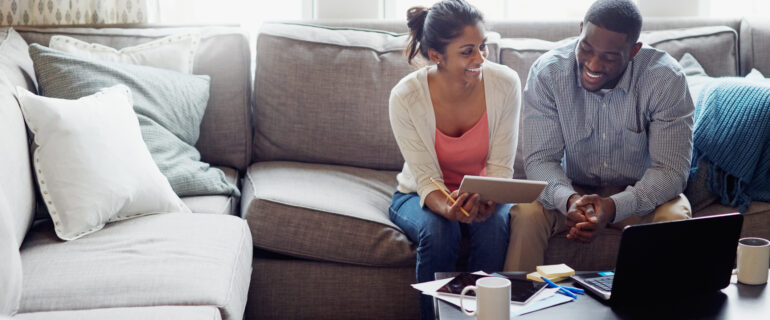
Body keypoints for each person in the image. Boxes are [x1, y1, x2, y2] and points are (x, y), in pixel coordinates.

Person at [505, 0, 694, 272]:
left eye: (609, 56)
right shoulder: (548, 73)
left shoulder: (665, 79)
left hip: (638, 197)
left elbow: (671, 172)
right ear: (581, 30)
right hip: (572, 191)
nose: (593, 64)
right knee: (527, 213)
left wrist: (613, 207)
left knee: (675, 216)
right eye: (586, 48)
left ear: (633, 51)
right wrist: (569, 200)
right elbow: (541, 162)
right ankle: (519, 308)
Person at [388, 0, 521, 318]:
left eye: (482, 46)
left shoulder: (505, 84)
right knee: (439, 231)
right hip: (419, 195)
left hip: (484, 191)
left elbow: (501, 167)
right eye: (467, 51)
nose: (480, 58)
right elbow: (425, 179)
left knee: (494, 227)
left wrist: (489, 197)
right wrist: (449, 207)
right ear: (437, 56)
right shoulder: (405, 97)